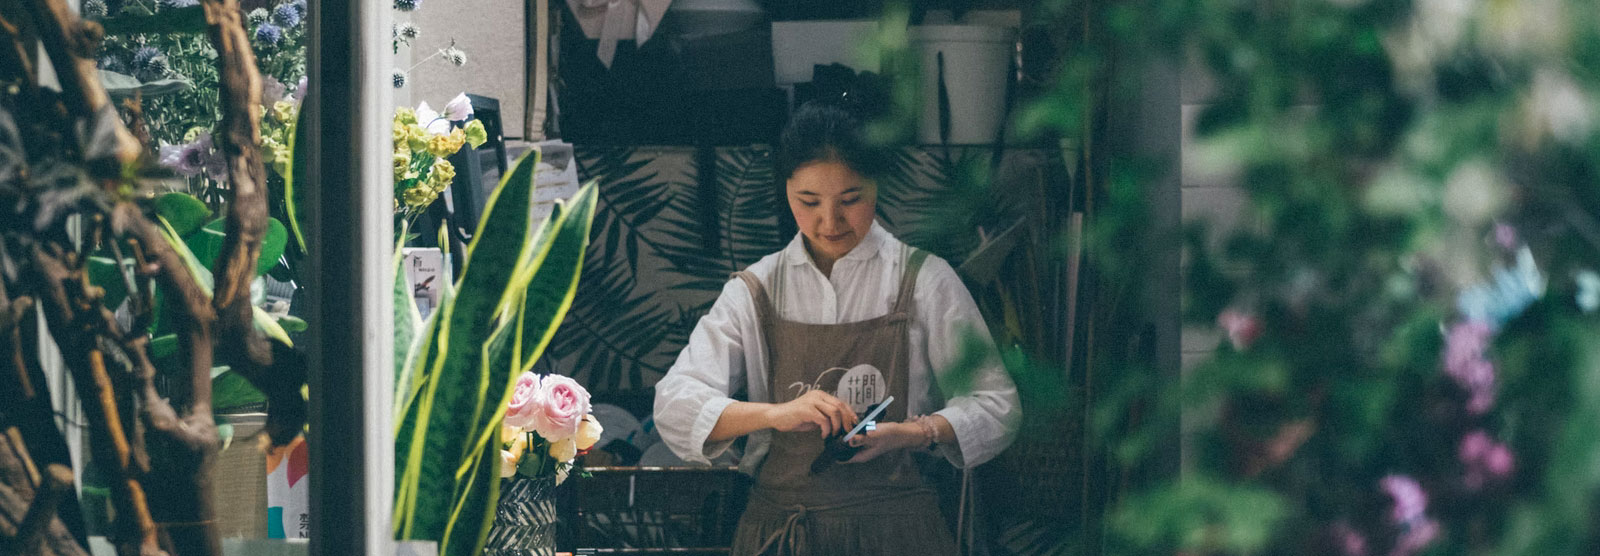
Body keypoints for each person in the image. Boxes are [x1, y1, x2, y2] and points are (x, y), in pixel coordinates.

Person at [653, 101, 1021, 556]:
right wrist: (774, 413)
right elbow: (673, 404)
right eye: (809, 202)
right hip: (780, 534)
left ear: (877, 187)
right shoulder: (756, 289)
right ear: (786, 191)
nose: (830, 222)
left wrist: (915, 432)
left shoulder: (924, 279)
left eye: (851, 199)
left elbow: (997, 405)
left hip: (900, 533)